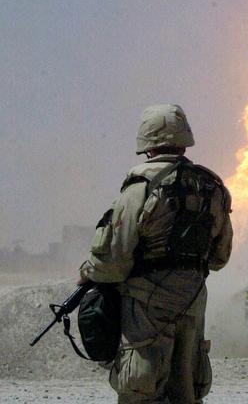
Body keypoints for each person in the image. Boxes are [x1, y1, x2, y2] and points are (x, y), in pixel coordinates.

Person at [78, 104, 233, 403]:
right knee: (186, 388)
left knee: (141, 386)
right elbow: (220, 257)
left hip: (146, 304)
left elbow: (114, 261)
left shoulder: (140, 187)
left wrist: (87, 273)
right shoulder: (211, 186)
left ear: (147, 143)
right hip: (192, 300)